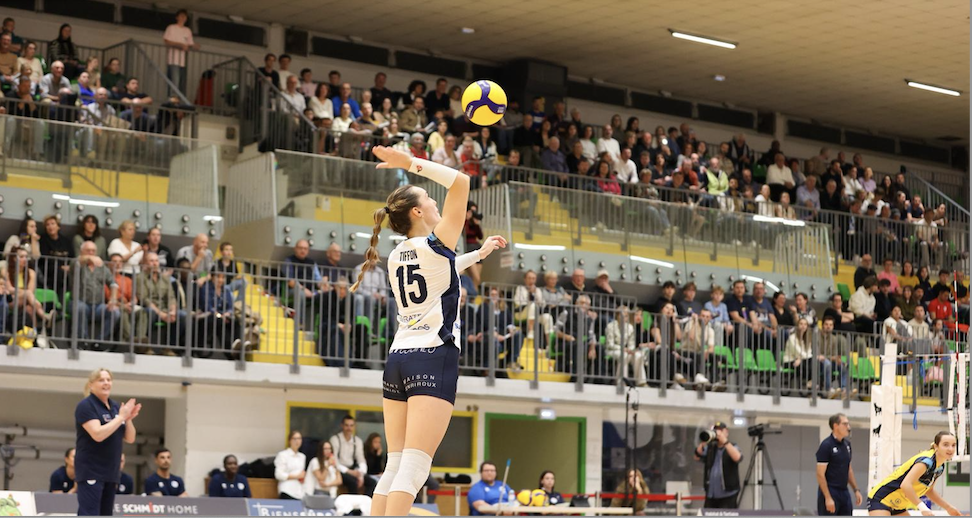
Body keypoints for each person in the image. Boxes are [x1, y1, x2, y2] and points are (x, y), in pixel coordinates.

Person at [348, 145, 506, 516]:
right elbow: (462, 183)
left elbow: (442, 272)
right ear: (417, 211)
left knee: (396, 463)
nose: (437, 204)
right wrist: (411, 164)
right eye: (428, 199)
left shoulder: (395, 256)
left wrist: (478, 255)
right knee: (415, 466)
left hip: (398, 359)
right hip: (433, 356)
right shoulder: (436, 245)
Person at [75, 368, 139, 516]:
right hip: (91, 470)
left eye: (108, 380)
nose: (106, 383)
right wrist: (120, 418)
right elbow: (97, 434)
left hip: (111, 471)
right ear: (91, 385)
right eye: (101, 380)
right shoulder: (86, 405)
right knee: (89, 513)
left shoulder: (116, 407)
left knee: (106, 514)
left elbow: (130, 438)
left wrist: (128, 419)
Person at [868, 431, 961, 516]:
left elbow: (929, 491)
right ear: (936, 446)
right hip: (882, 499)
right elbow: (905, 485)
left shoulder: (940, 467)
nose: (950, 449)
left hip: (899, 505)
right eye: (946, 445)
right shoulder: (926, 461)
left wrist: (948, 507)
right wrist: (923, 508)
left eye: (953, 445)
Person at [816, 413, 862, 516]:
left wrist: (856, 489)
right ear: (835, 426)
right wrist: (828, 498)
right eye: (845, 424)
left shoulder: (847, 445)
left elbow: (848, 468)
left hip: (844, 491)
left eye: (848, 424)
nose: (848, 427)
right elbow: (820, 474)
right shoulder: (826, 445)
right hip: (830, 490)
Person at [694, 422, 742, 509]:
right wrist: (705, 441)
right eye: (715, 431)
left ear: (726, 432)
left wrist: (725, 442)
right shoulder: (711, 448)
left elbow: (738, 457)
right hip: (711, 494)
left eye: (720, 431)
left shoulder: (732, 446)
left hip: (728, 494)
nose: (717, 433)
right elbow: (697, 457)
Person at [328, 415, 372, 495]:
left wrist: (361, 474)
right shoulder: (335, 440)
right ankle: (353, 506)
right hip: (339, 470)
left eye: (351, 425)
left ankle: (365, 504)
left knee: (371, 482)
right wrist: (349, 472)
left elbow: (361, 459)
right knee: (353, 482)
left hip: (353, 469)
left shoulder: (357, 441)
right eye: (346, 425)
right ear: (342, 425)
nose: (349, 428)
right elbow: (334, 461)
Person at [162, 10, 197, 94]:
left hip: (183, 61)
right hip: (173, 60)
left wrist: (194, 46)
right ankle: (172, 99)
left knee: (181, 82)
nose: (183, 18)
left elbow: (190, 44)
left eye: (184, 16)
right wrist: (180, 45)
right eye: (181, 16)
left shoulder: (187, 30)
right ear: (177, 17)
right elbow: (167, 41)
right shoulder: (171, 27)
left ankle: (177, 100)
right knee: (175, 81)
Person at [274, 430, 306, 500]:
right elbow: (278, 474)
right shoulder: (283, 455)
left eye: (299, 439)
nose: (297, 441)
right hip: (287, 490)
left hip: (299, 491)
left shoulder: (302, 456)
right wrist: (296, 476)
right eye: (295, 439)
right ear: (289, 441)